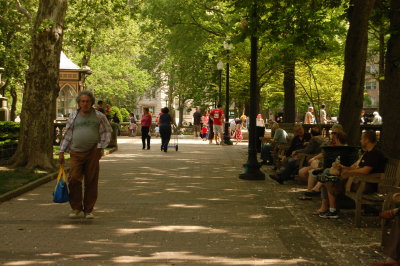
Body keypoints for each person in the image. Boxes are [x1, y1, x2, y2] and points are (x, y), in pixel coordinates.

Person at [59, 90, 112, 219]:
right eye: (82, 101)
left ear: (92, 102)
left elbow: (107, 131)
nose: (85, 104)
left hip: (93, 152)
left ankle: (88, 209)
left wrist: (100, 147)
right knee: (74, 179)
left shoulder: (99, 116)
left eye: (88, 101)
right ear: (79, 102)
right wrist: (61, 151)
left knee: (91, 181)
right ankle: (76, 207)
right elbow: (68, 133)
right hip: (76, 152)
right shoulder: (73, 116)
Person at [318, 130, 386, 219]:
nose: (360, 141)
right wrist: (343, 167)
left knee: (329, 181)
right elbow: (357, 168)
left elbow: (365, 171)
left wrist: (349, 172)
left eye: (362, 138)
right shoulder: (368, 153)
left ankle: (332, 210)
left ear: (367, 140)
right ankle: (331, 209)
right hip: (360, 181)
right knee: (329, 179)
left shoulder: (375, 153)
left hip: (367, 184)